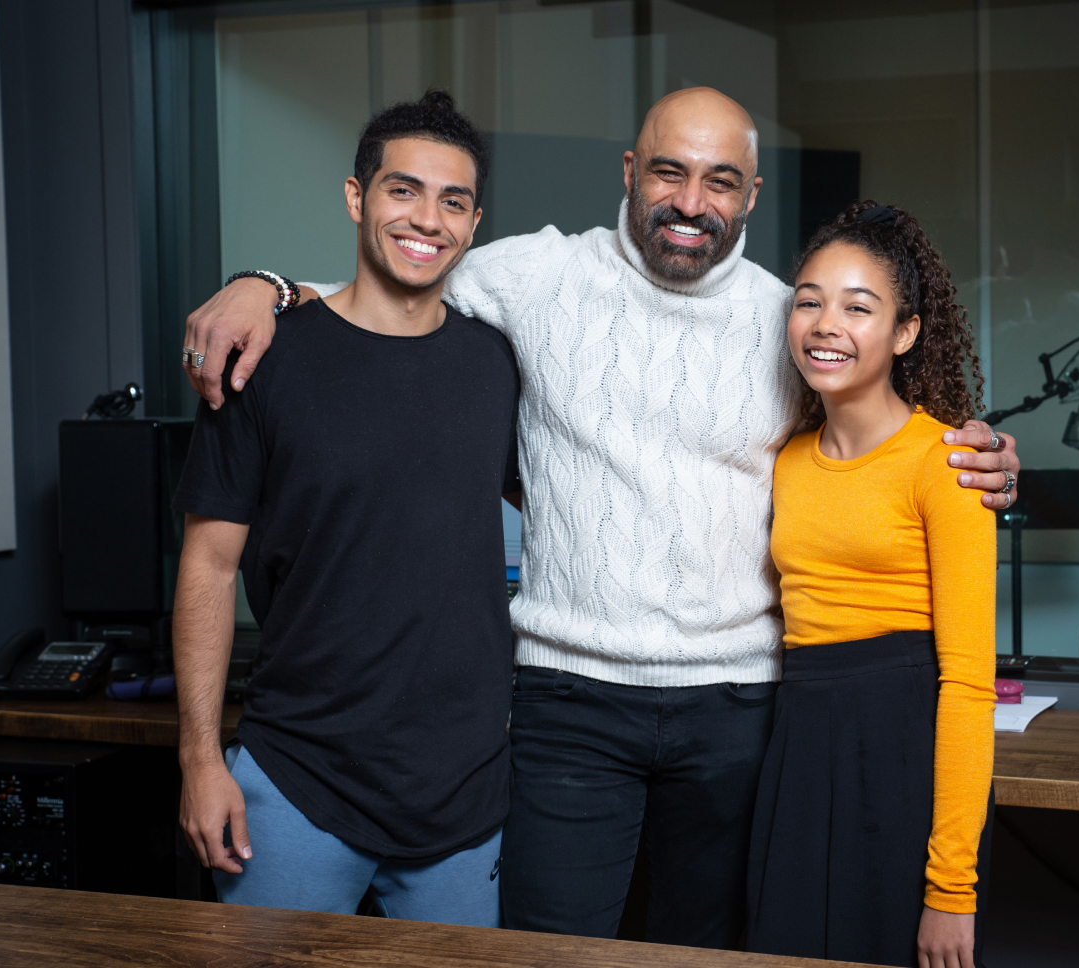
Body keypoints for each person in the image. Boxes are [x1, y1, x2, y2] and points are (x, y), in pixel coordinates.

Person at [180, 87, 1020, 947]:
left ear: (752, 196)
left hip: (737, 708)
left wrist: (976, 457)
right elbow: (399, 280)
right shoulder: (537, 275)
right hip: (565, 706)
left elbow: (876, 420)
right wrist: (268, 286)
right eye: (669, 172)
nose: (692, 201)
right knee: (548, 951)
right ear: (629, 173)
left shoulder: (790, 318)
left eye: (721, 181)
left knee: (713, 955)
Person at [171, 91, 521, 924]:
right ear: (357, 197)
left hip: (463, 797)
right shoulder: (261, 358)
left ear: (475, 223)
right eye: (403, 190)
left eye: (453, 200)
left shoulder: (497, 364)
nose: (427, 218)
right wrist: (199, 759)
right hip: (297, 780)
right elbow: (209, 568)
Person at [746, 202, 996, 968]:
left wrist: (952, 888)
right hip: (795, 741)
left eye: (859, 307)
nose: (827, 324)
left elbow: (968, 685)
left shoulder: (946, 463)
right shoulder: (783, 457)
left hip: (899, 749)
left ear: (906, 333)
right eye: (810, 301)